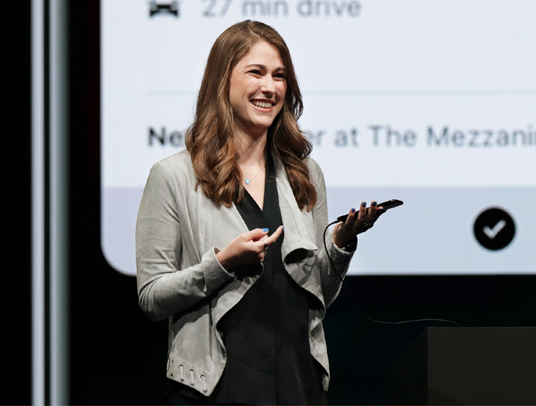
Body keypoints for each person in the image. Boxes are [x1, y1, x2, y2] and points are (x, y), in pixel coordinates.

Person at [136, 21, 381, 405]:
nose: (270, 87)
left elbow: (318, 294)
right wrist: (221, 265)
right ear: (223, 80)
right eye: (256, 72)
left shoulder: (304, 174)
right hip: (216, 389)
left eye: (279, 76)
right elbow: (152, 297)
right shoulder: (174, 176)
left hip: (298, 385)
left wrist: (340, 244)